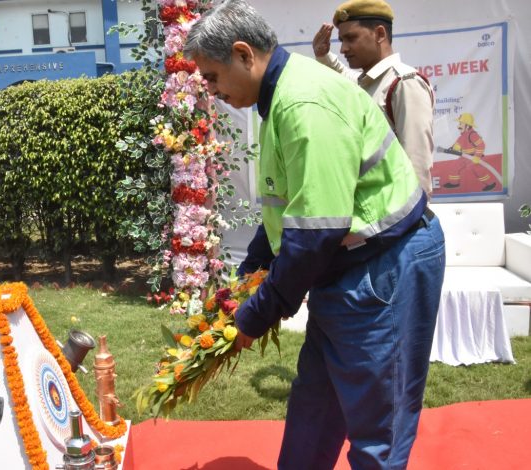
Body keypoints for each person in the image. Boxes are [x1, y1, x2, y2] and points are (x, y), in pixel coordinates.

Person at [183, 1, 446, 468]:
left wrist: (252, 317)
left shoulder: (303, 103)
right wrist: (247, 278)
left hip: (383, 267)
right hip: (346, 266)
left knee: (378, 430)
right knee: (315, 408)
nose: (212, 90)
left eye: (212, 77)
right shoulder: (282, 95)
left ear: (243, 54)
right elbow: (287, 209)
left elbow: (315, 234)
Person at [312, 0, 435, 195]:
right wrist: (323, 55)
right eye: (341, 41)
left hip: (396, 212)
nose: (343, 49)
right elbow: (344, 75)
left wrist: (415, 212)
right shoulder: (367, 82)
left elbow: (417, 162)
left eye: (351, 38)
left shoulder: (404, 83)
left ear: (379, 34)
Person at [441, 113, 496, 191]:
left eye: (461, 123)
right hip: (465, 157)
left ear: (467, 126)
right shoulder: (462, 136)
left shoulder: (473, 135)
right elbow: (457, 145)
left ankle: (490, 184)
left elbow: (481, 145)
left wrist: (477, 157)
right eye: (459, 123)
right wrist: (453, 149)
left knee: (478, 171)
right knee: (455, 167)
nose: (458, 126)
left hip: (473, 157)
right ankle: (454, 183)